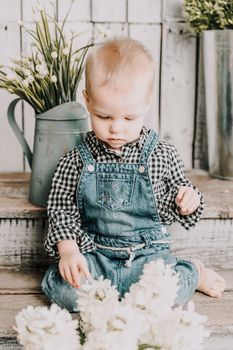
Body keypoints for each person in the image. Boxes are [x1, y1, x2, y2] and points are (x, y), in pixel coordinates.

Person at [41, 37, 225, 312]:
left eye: (129, 118)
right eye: (104, 116)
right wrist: (69, 250)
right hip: (95, 254)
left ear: (147, 104)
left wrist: (189, 199)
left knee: (167, 292)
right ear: (88, 101)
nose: (116, 128)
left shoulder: (162, 154)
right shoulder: (75, 160)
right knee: (64, 291)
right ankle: (113, 296)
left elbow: (181, 188)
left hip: (147, 257)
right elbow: (60, 209)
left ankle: (193, 272)